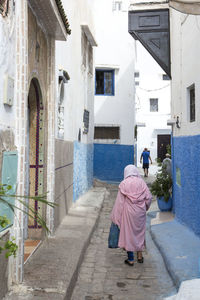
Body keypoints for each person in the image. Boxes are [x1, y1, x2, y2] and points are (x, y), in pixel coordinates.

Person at [111, 165, 152, 266]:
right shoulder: (142, 182)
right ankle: (139, 256)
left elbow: (120, 202)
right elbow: (149, 197)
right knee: (140, 233)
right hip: (140, 212)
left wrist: (116, 217)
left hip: (128, 212)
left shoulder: (124, 183)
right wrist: (145, 207)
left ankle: (131, 259)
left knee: (128, 234)